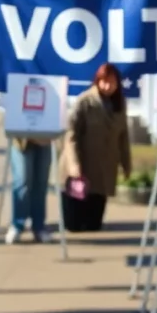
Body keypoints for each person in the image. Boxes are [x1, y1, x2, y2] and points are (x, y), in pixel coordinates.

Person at [60, 63, 132, 232]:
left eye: (112, 83)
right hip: (81, 167)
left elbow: (123, 136)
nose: (107, 86)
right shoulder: (85, 101)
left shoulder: (119, 104)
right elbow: (71, 135)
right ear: (97, 81)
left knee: (94, 225)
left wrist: (126, 164)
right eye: (104, 82)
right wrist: (74, 165)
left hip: (104, 167)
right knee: (74, 225)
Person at [6, 137, 54, 244]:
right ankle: (17, 225)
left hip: (45, 138)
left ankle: (39, 226)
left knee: (41, 182)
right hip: (22, 139)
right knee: (22, 181)